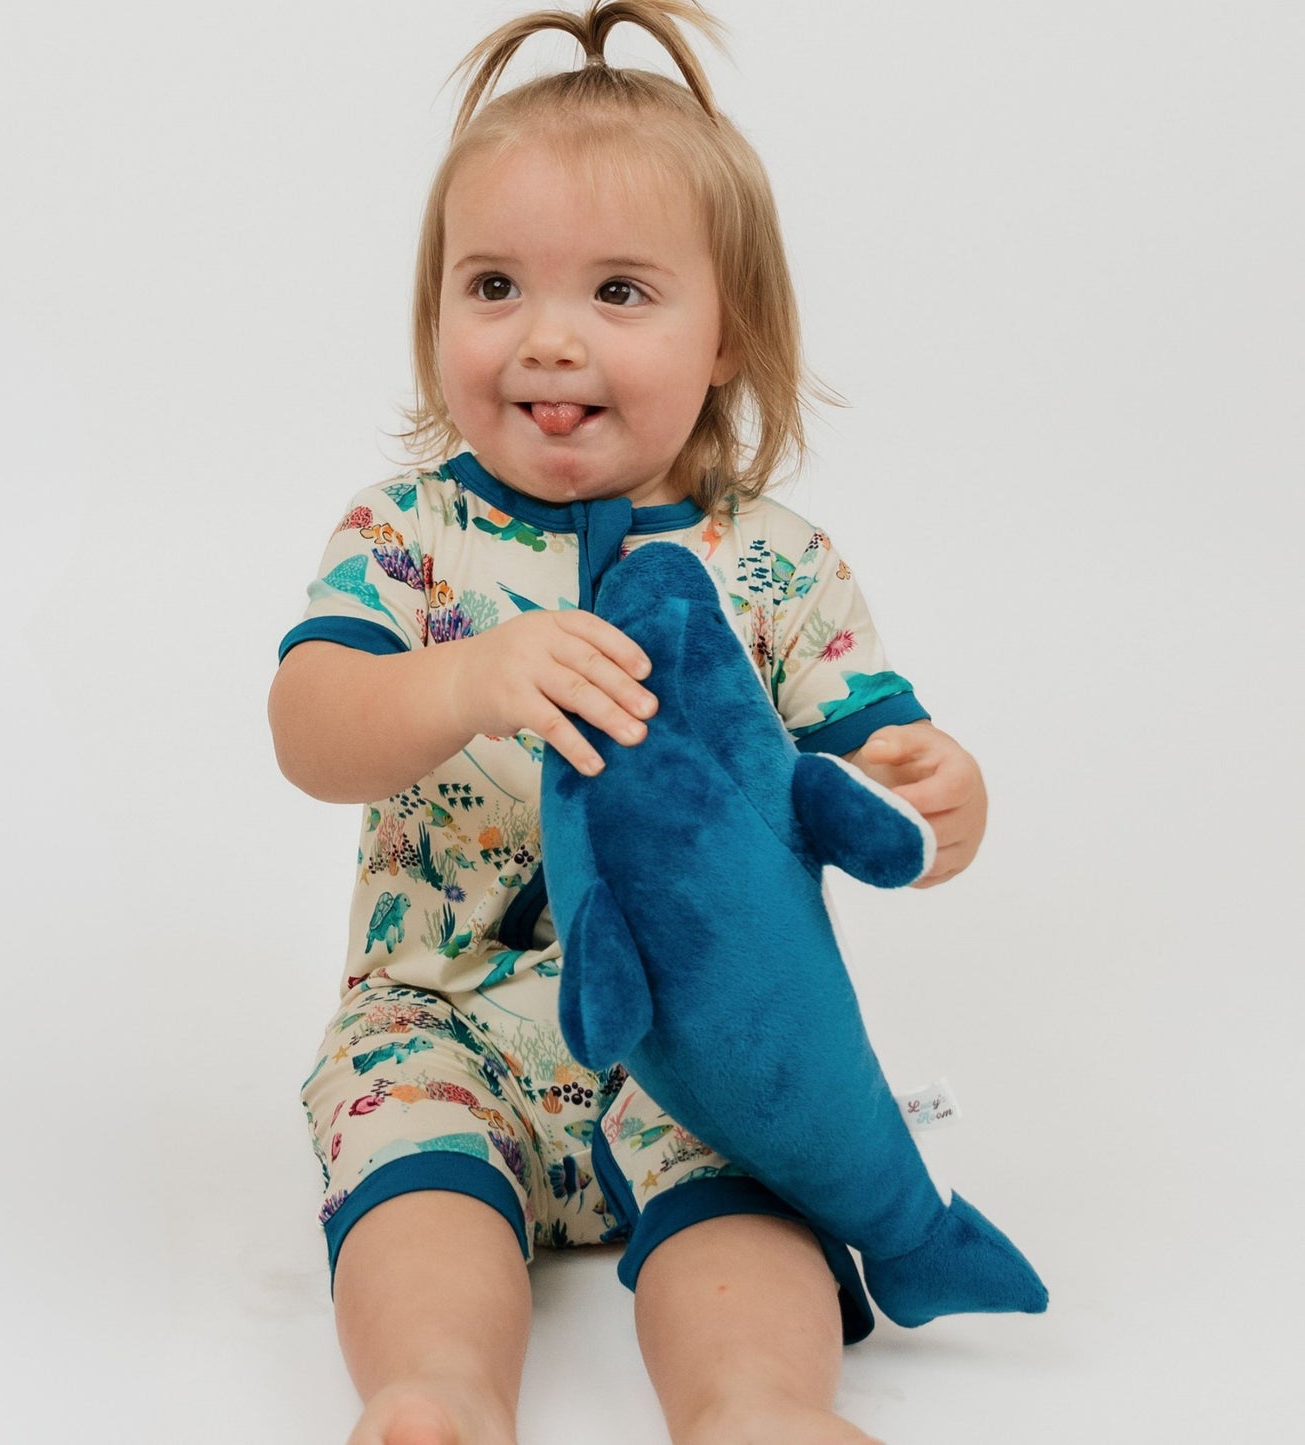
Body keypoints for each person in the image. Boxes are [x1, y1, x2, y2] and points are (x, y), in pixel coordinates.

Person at [269, 4, 987, 1441]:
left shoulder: (770, 561)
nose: (545, 339)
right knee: (415, 1196)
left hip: (699, 1051)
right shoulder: (406, 537)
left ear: (728, 337)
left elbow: (859, 763)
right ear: (434, 315)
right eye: (491, 286)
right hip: (443, 1019)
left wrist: (933, 789)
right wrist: (466, 678)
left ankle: (756, 1410)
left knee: (749, 1218)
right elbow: (309, 725)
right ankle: (439, 1397)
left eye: (616, 291)